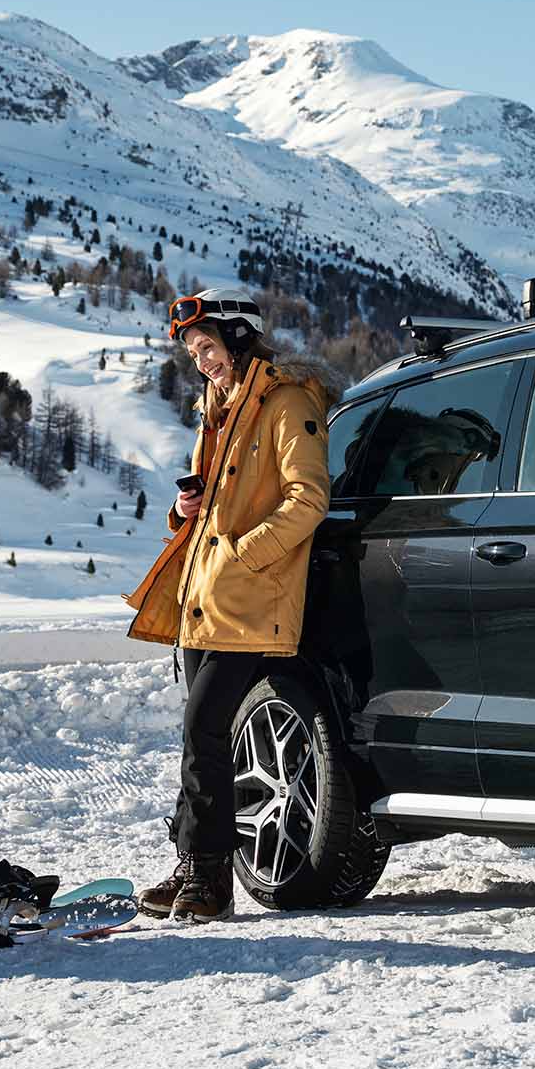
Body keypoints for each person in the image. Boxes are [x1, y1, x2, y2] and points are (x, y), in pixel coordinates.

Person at [124, 290, 336, 919]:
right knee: (202, 740)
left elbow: (309, 498)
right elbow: (212, 509)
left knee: (204, 731)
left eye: (208, 347)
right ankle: (192, 867)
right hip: (205, 598)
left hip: (248, 598)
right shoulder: (217, 411)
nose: (202, 362)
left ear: (240, 338)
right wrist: (182, 512)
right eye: (193, 352)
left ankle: (212, 884)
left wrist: (245, 554)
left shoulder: (288, 404)